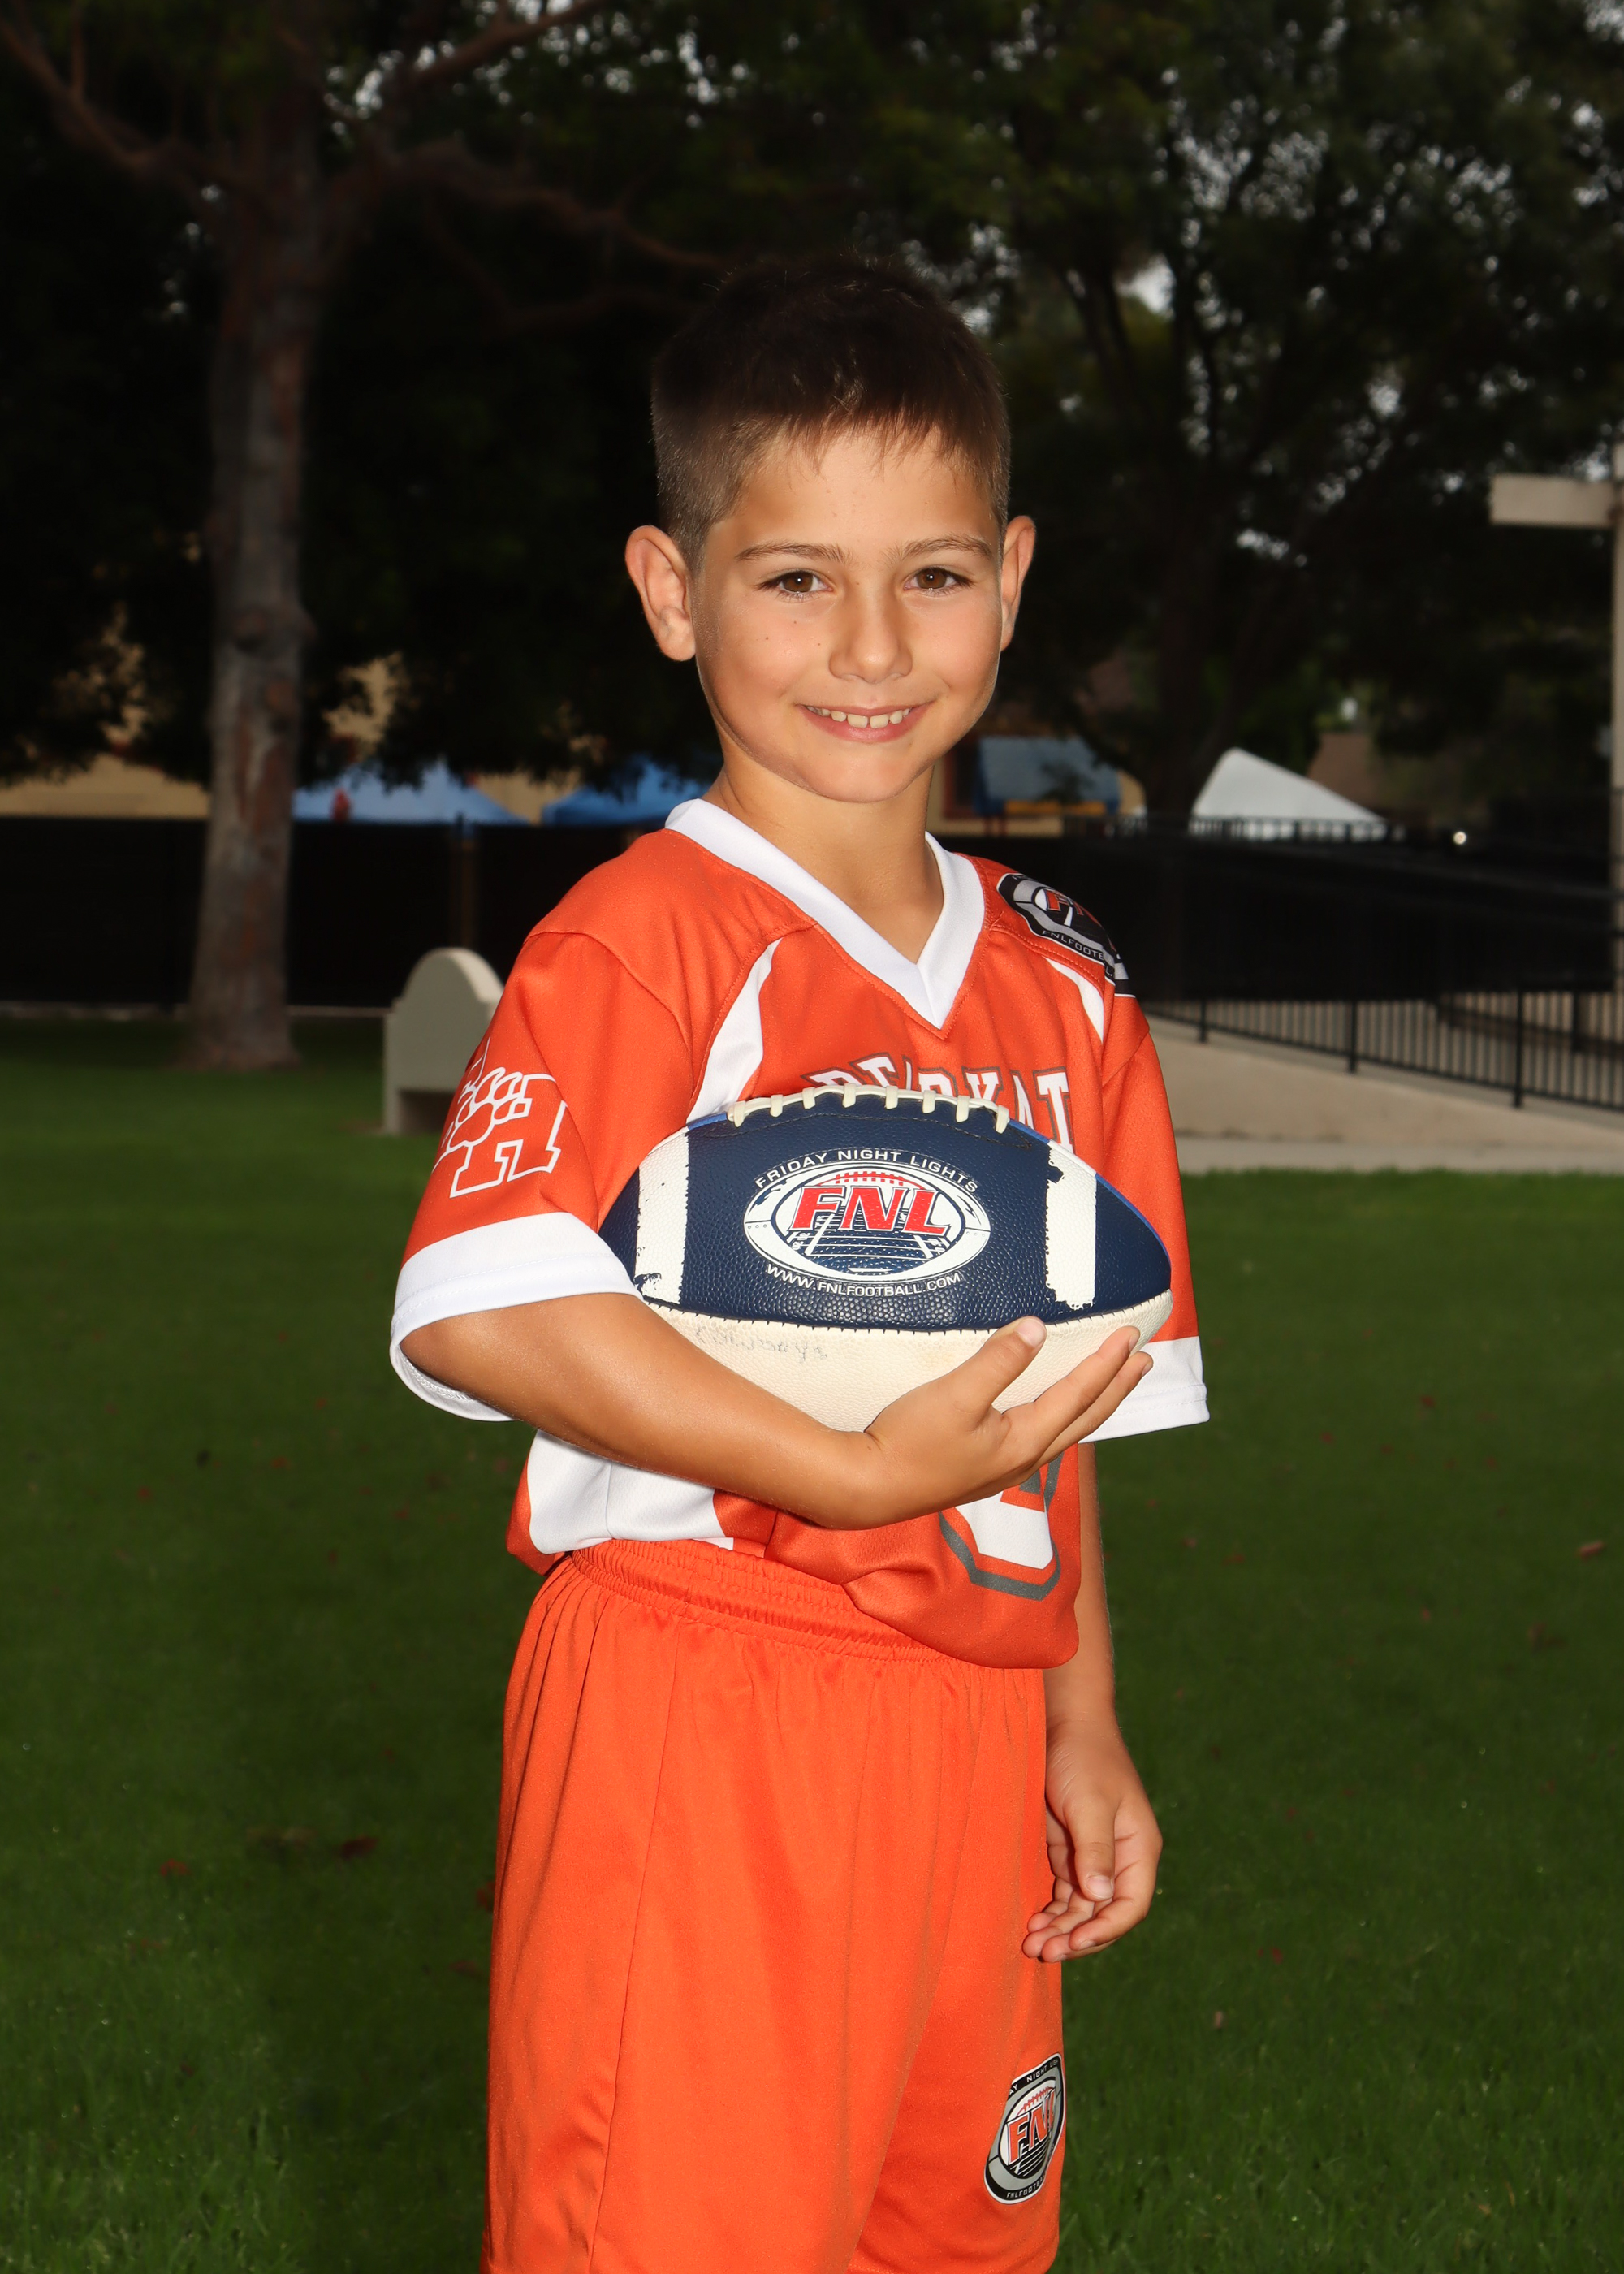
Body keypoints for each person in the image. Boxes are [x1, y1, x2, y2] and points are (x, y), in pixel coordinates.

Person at [392, 253, 1206, 2274]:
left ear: (1011, 579)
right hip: (704, 1686)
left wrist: (1078, 1718)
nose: (870, 642)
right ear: (673, 592)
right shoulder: (643, 942)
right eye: (793, 579)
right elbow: (485, 1298)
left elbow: (1053, 1412)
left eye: (930, 574)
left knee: (945, 2237)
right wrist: (837, 1467)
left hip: (971, 1727)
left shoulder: (1068, 990)